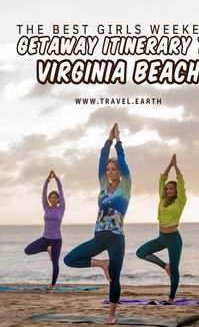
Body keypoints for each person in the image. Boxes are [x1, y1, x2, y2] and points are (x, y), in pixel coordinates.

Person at [64, 124, 131, 324]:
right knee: (69, 259)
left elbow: (124, 162)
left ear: (119, 171)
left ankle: (112, 314)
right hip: (99, 236)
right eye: (108, 169)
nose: (110, 172)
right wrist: (107, 140)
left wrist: (118, 141)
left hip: (116, 239)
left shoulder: (126, 185)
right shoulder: (103, 185)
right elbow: (102, 157)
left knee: (115, 279)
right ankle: (102, 263)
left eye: (113, 169)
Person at [136, 154, 186, 302]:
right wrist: (169, 165)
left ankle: (171, 298)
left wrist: (175, 166)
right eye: (167, 188)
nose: (168, 190)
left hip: (174, 239)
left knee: (175, 270)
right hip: (162, 238)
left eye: (172, 188)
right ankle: (165, 266)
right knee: (141, 252)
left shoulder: (180, 201)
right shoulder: (163, 199)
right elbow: (162, 179)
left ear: (176, 191)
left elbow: (181, 181)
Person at [24, 170, 65, 289]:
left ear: (58, 200)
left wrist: (56, 179)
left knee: (55, 263)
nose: (52, 199)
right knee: (28, 250)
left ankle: (52, 285)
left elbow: (61, 191)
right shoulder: (46, 208)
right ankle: (47, 249)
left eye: (55, 198)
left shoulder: (61, 209)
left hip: (56, 240)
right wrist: (47, 181)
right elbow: (43, 194)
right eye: (51, 197)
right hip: (45, 238)